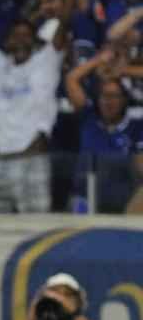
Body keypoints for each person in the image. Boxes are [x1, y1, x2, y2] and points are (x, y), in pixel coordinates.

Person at [0, 6, 67, 213]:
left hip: (33, 158)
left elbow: (66, 20)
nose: (21, 39)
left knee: (35, 226)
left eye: (26, 35)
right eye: (16, 35)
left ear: (34, 41)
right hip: (3, 159)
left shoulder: (46, 61)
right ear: (7, 41)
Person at [64, 51, 143, 213]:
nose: (109, 101)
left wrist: (122, 71)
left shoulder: (135, 127)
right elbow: (71, 79)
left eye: (115, 96)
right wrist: (98, 60)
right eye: (105, 96)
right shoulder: (89, 118)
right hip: (84, 200)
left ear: (124, 100)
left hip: (122, 204)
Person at [23, 273, 109, 320]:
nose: (60, 299)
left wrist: (73, 312)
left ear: (79, 301)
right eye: (55, 294)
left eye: (67, 294)